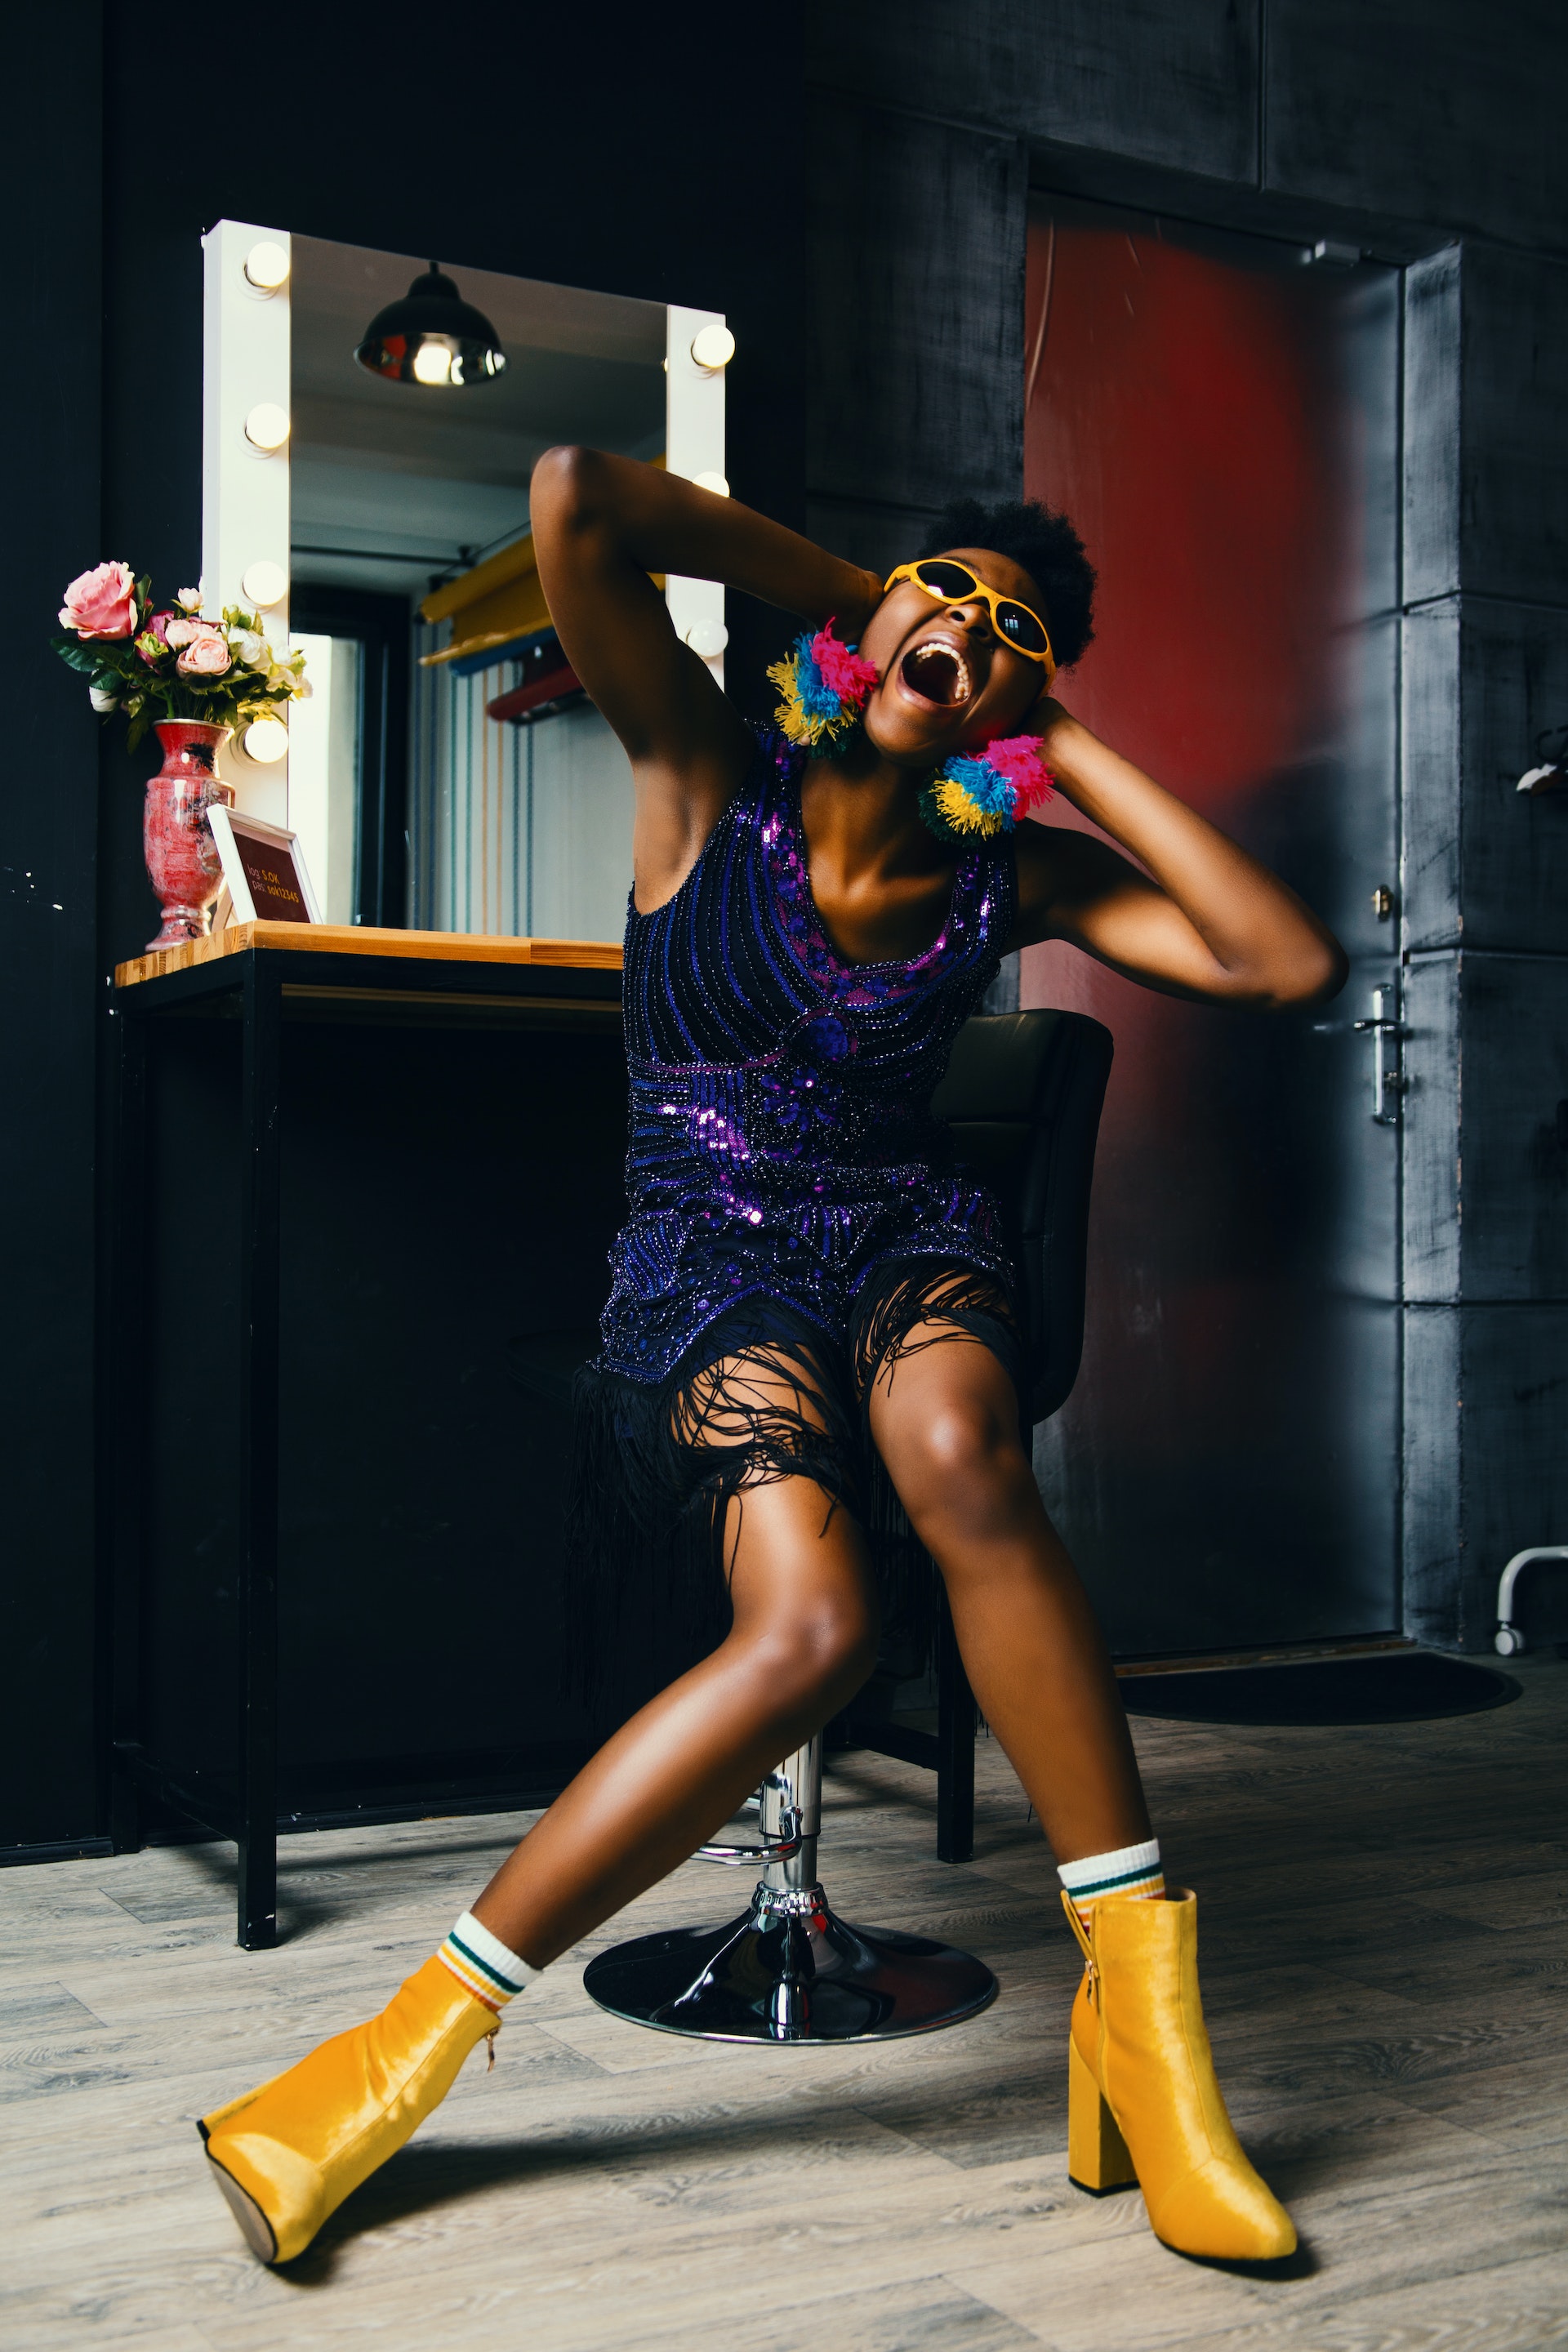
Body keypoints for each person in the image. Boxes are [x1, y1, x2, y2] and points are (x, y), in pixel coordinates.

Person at [199, 451, 1346, 2270]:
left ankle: (1147, 2035)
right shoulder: (703, 771)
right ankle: (391, 2059)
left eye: (1014, 633)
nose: (969, 632)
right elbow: (579, 498)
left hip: (903, 1233)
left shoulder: (1013, 875)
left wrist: (1061, 739)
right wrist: (876, 599)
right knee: (812, 1632)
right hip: (707, 1251)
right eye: (945, 597)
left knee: (963, 1457)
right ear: (870, 622)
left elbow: (1282, 963)